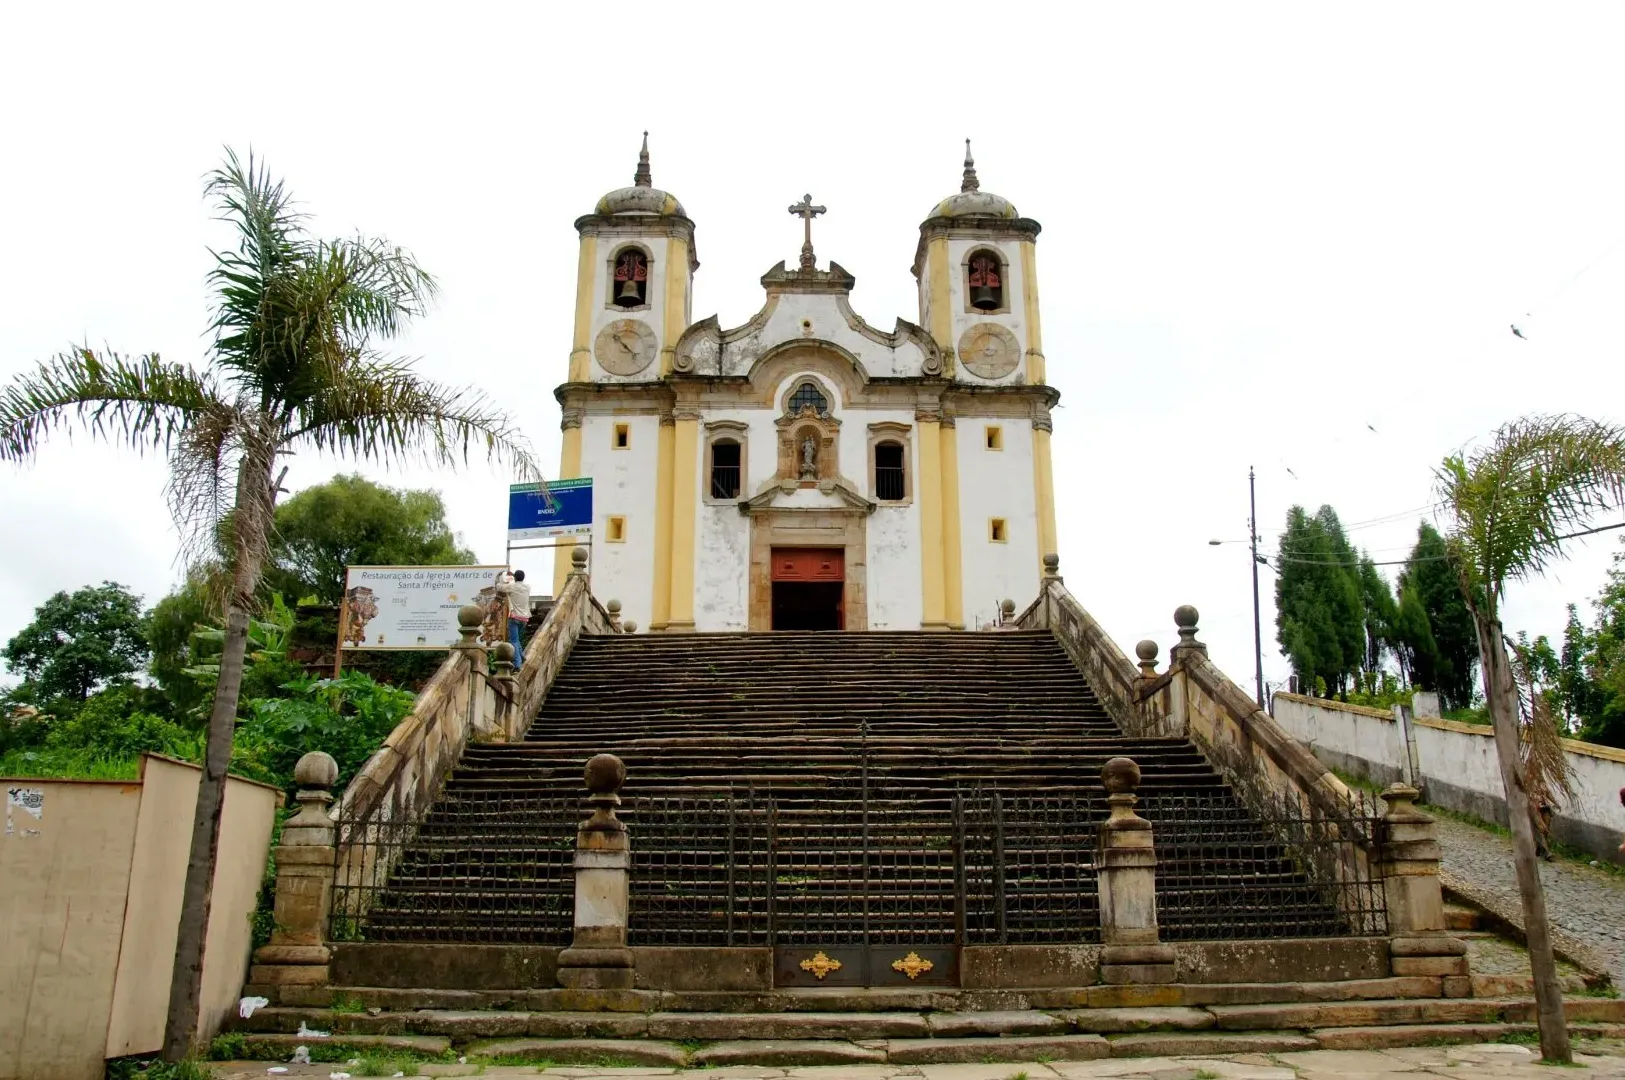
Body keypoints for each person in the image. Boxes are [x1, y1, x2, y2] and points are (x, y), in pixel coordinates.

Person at [499, 569, 531, 667]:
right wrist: (514, 577)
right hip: (525, 618)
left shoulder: (512, 587)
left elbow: (499, 587)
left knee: (514, 641)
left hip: (514, 617)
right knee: (517, 640)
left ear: (515, 577)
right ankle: (522, 656)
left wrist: (502, 576)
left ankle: (517, 664)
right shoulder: (527, 587)